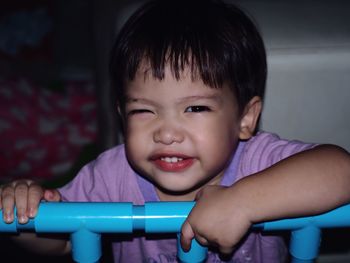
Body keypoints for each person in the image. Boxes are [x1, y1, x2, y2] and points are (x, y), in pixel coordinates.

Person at [1, 0, 350, 262]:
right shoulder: (112, 173)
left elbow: (341, 171)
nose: (166, 133)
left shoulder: (258, 161)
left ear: (246, 118)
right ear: (122, 115)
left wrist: (244, 201)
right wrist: (26, 211)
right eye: (143, 110)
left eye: (195, 108)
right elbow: (60, 240)